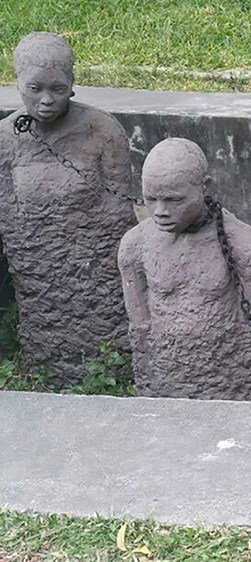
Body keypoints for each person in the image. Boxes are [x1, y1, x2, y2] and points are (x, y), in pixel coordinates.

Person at [0, 32, 136, 386]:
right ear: (17, 83)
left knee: (102, 333)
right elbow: (8, 215)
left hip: (94, 271)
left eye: (58, 89)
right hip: (37, 272)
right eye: (35, 89)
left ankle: (109, 369)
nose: (47, 100)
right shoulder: (5, 139)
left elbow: (118, 210)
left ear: (72, 84)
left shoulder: (103, 130)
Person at [118, 138, 251, 400]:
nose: (160, 211)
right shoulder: (135, 246)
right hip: (166, 377)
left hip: (227, 381)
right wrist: (148, 378)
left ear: (204, 188)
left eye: (174, 200)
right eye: (151, 199)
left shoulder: (244, 245)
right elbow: (140, 327)